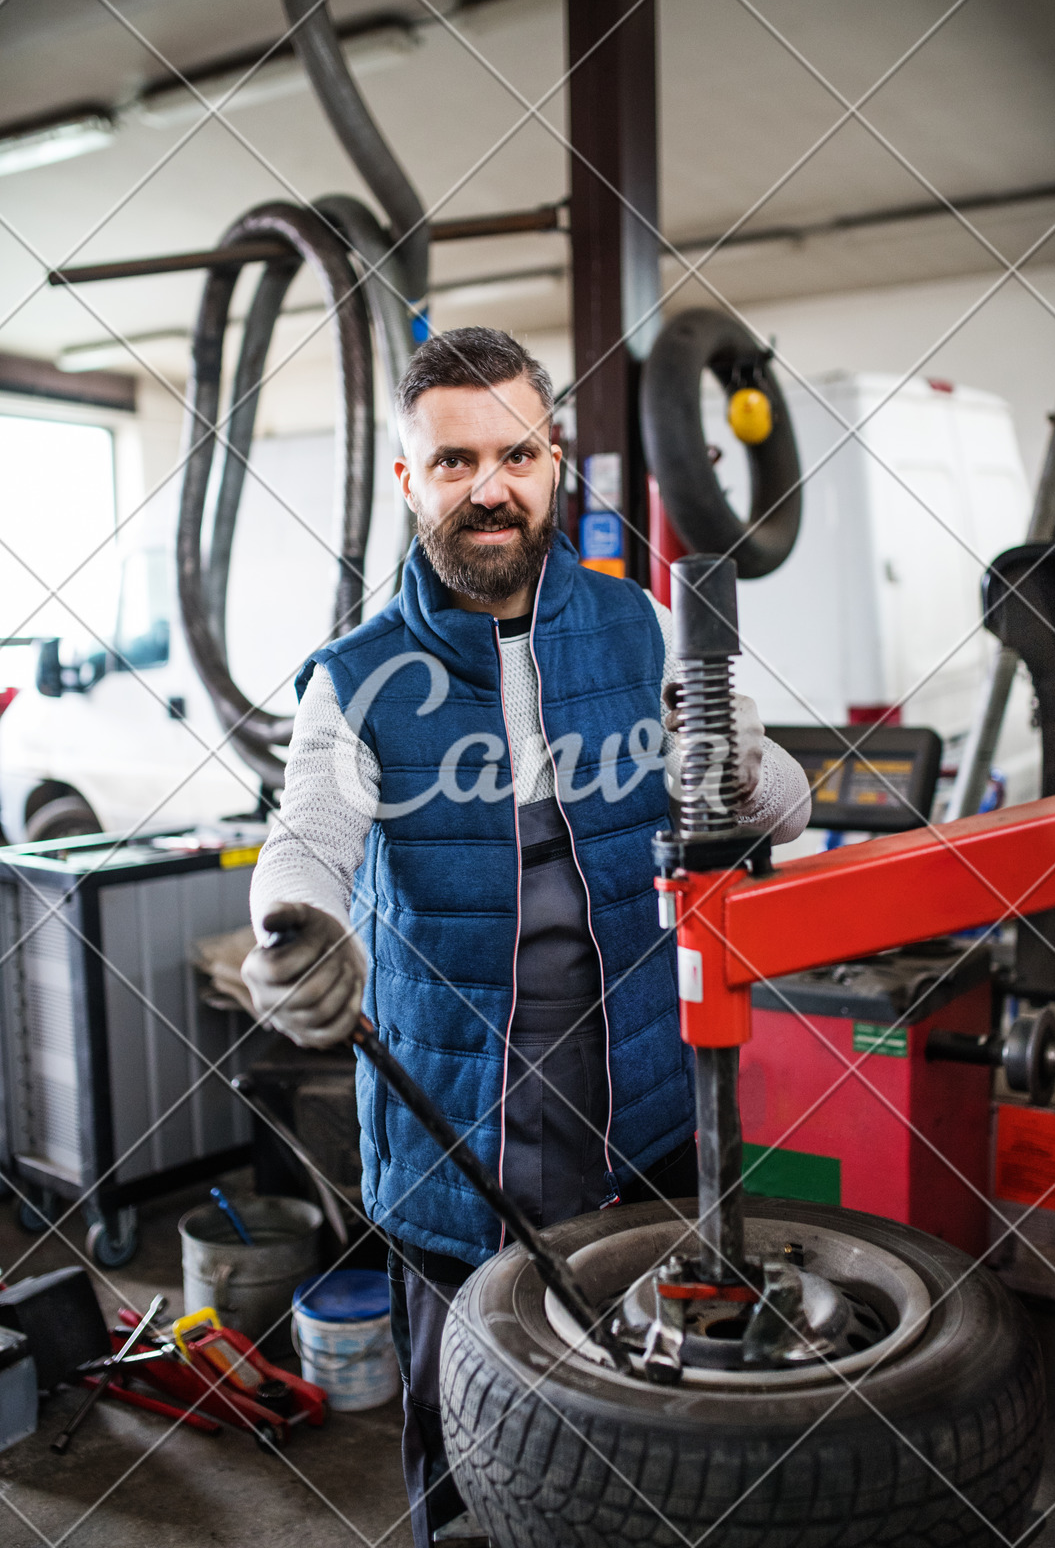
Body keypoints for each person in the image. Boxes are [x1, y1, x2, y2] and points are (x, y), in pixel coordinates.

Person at [243, 327, 810, 1546]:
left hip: (642, 1123)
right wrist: (293, 935)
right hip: (459, 1144)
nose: (488, 488)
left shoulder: (634, 628)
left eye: (515, 452)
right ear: (408, 481)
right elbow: (306, 843)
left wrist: (745, 764)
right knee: (466, 1461)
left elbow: (778, 803)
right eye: (453, 462)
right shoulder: (358, 673)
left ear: (554, 463)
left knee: (655, 1434)